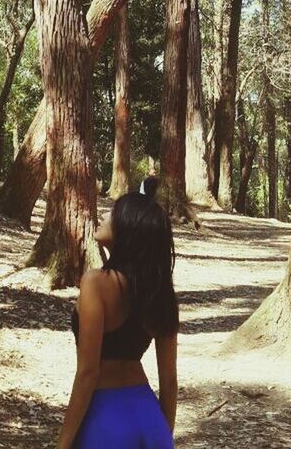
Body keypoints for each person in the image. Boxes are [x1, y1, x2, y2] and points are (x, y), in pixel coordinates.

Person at [56, 178, 179, 449]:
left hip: (106, 422)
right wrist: (162, 436)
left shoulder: (96, 283)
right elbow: (169, 381)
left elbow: (88, 372)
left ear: (127, 228)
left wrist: (63, 443)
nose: (104, 216)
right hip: (150, 420)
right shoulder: (160, 293)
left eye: (112, 213)